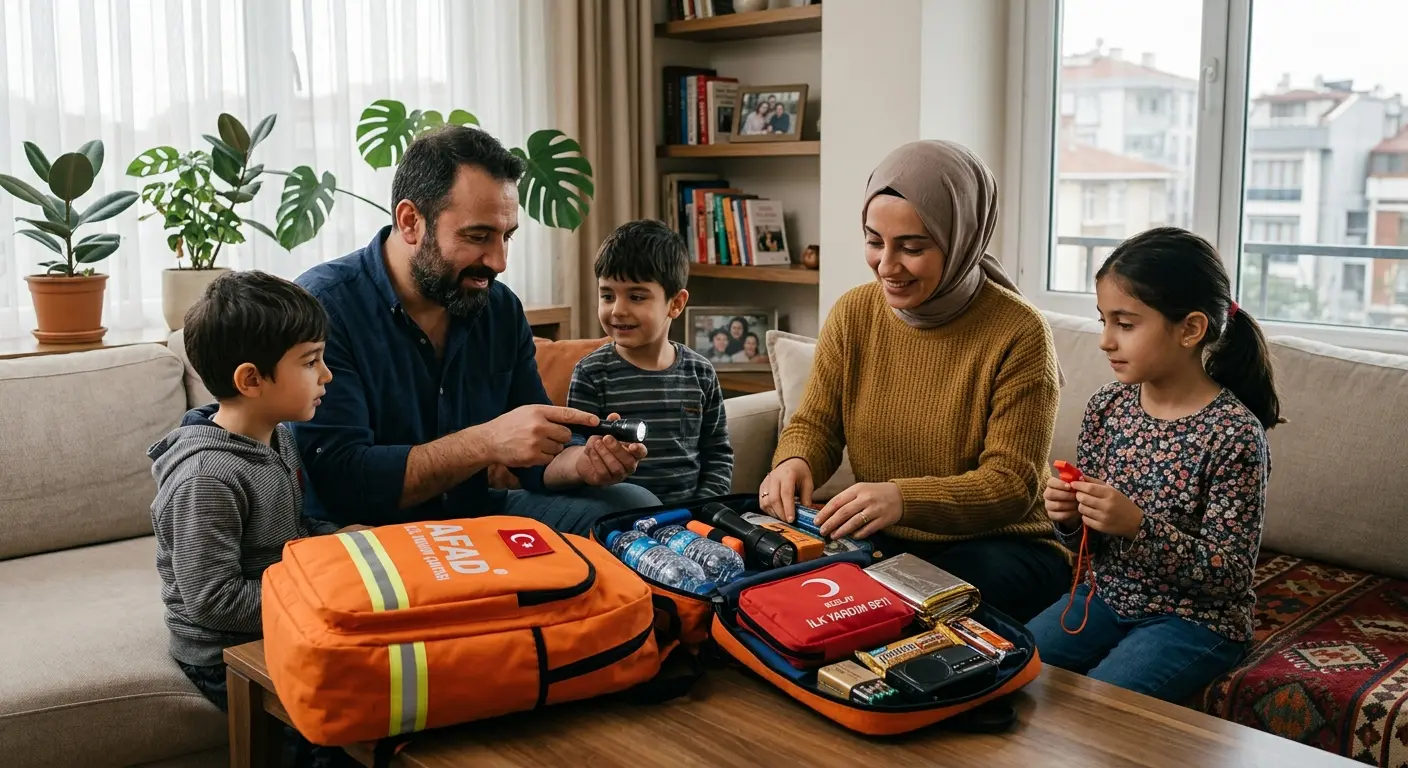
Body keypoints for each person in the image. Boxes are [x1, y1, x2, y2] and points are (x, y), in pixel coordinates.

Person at [757, 140, 1069, 623]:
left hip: (1005, 547)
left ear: (962, 237)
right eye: (874, 241)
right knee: (775, 592)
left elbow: (1012, 485)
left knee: (895, 612)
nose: (886, 265)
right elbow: (816, 423)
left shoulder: (1019, 332)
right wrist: (794, 461)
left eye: (912, 247)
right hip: (887, 536)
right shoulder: (854, 313)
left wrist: (903, 498)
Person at [294, 126, 658, 536]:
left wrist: (583, 463)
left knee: (634, 509)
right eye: (478, 236)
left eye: (507, 236)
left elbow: (538, 454)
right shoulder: (323, 307)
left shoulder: (497, 307)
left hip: (475, 516)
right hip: (367, 530)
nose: (499, 261)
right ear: (411, 221)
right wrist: (485, 442)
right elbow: (343, 479)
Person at [1026, 227, 1278, 702]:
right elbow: (1090, 546)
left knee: (1101, 707)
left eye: (1125, 323)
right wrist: (1067, 517)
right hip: (1106, 599)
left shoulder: (1234, 434)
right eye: (1103, 320)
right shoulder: (1107, 407)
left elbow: (1230, 575)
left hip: (1195, 621)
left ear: (1190, 329)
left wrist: (1137, 526)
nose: (1105, 340)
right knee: (1010, 666)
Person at [147, 272, 354, 767]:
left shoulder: (277, 435)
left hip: (280, 618)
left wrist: (340, 546)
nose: (327, 375)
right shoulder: (209, 478)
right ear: (251, 380)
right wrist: (316, 599)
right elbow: (213, 602)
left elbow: (290, 535)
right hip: (224, 651)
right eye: (310, 362)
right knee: (330, 739)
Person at [567, 220, 733, 505]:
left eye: (636, 296)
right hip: (617, 519)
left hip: (690, 522)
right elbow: (575, 453)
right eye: (607, 295)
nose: (617, 310)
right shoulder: (591, 374)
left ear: (676, 304)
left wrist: (702, 510)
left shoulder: (701, 373)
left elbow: (717, 455)